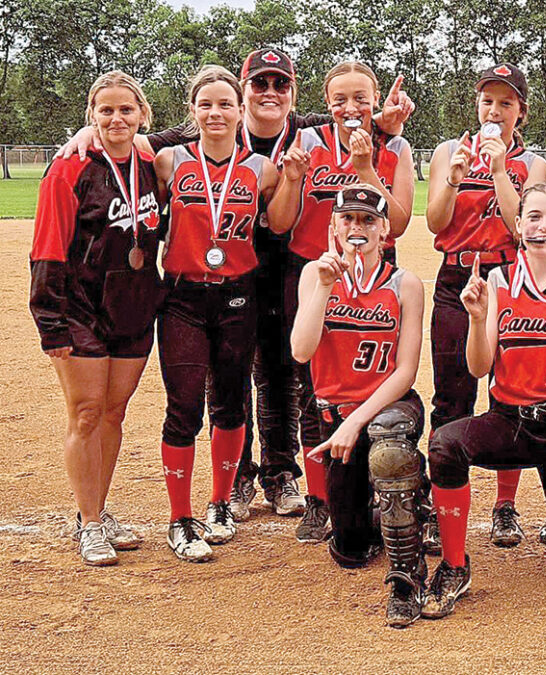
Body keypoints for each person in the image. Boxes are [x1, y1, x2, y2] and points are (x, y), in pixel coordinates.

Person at [57, 48, 415, 523]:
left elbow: (349, 116)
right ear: (244, 94)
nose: (270, 92)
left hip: (281, 266)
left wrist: (383, 125)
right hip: (220, 275)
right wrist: (90, 130)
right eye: (259, 84)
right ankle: (239, 476)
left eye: (280, 84)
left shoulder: (300, 129)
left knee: (282, 372)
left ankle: (281, 473)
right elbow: (135, 137)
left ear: (292, 93)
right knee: (226, 382)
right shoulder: (202, 131)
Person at [421, 183, 546, 620]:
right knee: (444, 445)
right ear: (518, 224)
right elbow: (479, 367)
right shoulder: (498, 280)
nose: (543, 226)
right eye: (533, 216)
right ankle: (454, 565)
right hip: (510, 421)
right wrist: (478, 319)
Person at [271, 61, 416, 544]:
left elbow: (398, 224)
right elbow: (282, 221)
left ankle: (386, 487)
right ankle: (320, 498)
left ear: (375, 101)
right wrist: (292, 179)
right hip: (313, 272)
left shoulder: (395, 147)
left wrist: (365, 167)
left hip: (373, 274)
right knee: (311, 389)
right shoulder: (307, 141)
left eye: (361, 98)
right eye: (340, 99)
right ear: (326, 103)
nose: (350, 108)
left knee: (371, 375)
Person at [153, 65, 287, 562]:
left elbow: (280, 222)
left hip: (237, 295)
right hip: (183, 297)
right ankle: (180, 519)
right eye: (206, 104)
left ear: (240, 109)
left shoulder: (262, 170)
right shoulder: (168, 161)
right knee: (184, 406)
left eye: (225, 104)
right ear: (192, 110)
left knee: (231, 404)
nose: (216, 112)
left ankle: (220, 503)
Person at [30, 71, 161, 566]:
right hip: (79, 310)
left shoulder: (151, 161)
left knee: (113, 413)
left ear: (142, 114)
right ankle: (88, 523)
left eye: (126, 109)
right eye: (105, 111)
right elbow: (47, 248)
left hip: (133, 308)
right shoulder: (70, 168)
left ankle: (99, 511)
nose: (116, 119)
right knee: (86, 412)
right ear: (92, 115)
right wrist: (51, 322)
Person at [291, 184, 428, 627]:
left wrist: (355, 423)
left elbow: (405, 372)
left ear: (385, 230)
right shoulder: (314, 274)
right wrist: (324, 287)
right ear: (334, 226)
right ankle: (409, 500)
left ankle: (406, 574)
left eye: (369, 220)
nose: (357, 227)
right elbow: (300, 350)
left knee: (388, 447)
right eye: (348, 218)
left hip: (388, 408)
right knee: (350, 550)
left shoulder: (405, 283)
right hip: (334, 414)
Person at [425, 63, 546, 547]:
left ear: (521, 112)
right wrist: (454, 179)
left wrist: (499, 171)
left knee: (508, 394)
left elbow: (525, 229)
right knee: (451, 396)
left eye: (506, 103)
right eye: (487, 101)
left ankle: (505, 506)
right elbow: (436, 222)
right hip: (456, 277)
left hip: (508, 279)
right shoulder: (448, 151)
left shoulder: (531, 164)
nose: (494, 111)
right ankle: (440, 505)